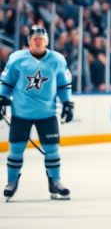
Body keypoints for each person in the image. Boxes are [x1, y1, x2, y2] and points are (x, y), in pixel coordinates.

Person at [0, 25, 74, 201]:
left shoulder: (57, 60)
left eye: (41, 39)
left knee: (52, 150)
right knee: (15, 150)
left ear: (46, 41)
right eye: (35, 39)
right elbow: (7, 81)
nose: (38, 41)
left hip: (47, 113)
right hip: (21, 113)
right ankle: (11, 182)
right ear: (29, 41)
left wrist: (67, 103)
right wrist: (1, 98)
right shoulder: (17, 59)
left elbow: (64, 84)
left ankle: (55, 181)